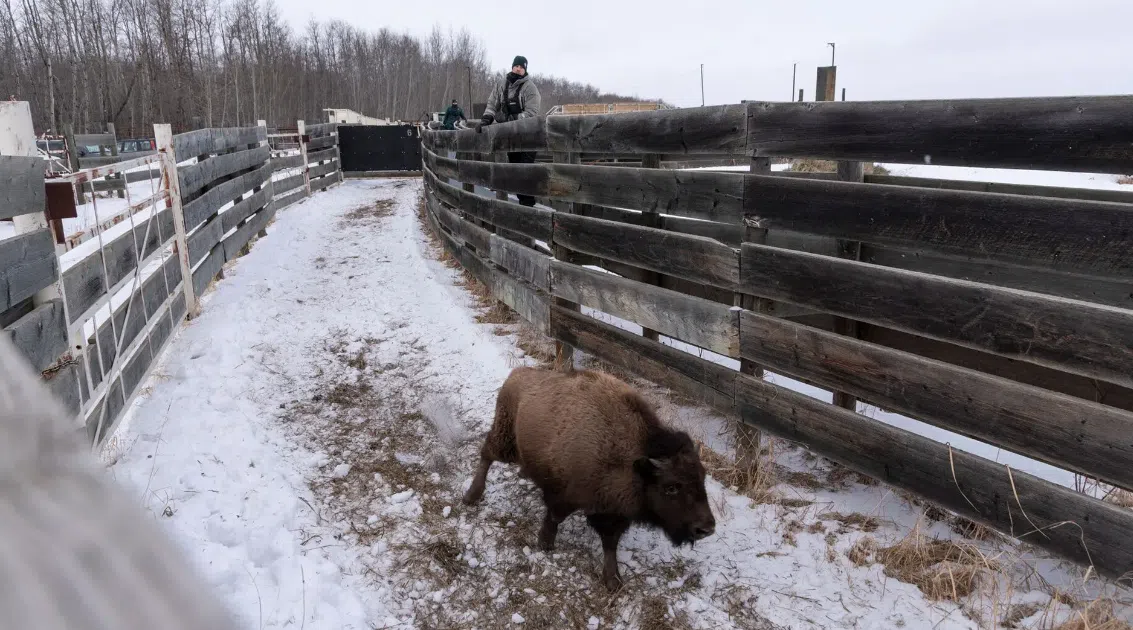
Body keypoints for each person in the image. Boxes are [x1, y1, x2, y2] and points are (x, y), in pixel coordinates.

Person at [480, 55, 542, 207]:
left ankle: (529, 206)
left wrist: (511, 119)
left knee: (525, 171)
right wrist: (486, 118)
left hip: (529, 136)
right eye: (516, 66)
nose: (518, 68)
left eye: (521, 67)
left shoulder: (530, 87)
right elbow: (492, 103)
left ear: (525, 69)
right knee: (515, 171)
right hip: (511, 137)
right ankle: (523, 205)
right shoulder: (501, 85)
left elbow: (532, 113)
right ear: (512, 66)